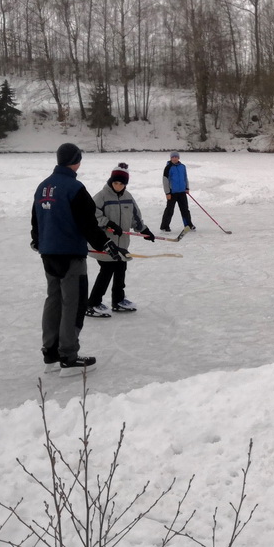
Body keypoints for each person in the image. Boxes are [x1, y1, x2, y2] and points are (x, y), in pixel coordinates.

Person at [31, 142, 126, 376]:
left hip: (48, 253)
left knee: (53, 300)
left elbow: (36, 219)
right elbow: (88, 224)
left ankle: (51, 353)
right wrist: (106, 245)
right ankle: (68, 356)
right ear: (76, 161)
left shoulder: (43, 187)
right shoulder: (75, 188)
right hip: (70, 256)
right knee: (73, 304)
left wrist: (37, 240)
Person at [87, 163, 155, 317]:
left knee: (120, 269)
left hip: (121, 244)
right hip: (104, 243)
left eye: (121, 184)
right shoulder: (101, 196)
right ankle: (92, 303)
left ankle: (118, 300)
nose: (118, 186)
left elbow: (135, 217)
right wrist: (108, 223)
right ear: (111, 181)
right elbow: (91, 215)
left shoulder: (128, 197)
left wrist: (144, 230)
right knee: (107, 271)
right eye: (115, 183)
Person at [160, 151, 195, 232]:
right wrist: (167, 193)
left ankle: (188, 225)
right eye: (173, 157)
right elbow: (165, 180)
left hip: (182, 192)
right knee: (169, 210)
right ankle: (164, 226)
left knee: (185, 209)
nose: (174, 158)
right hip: (172, 193)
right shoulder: (168, 167)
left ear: (178, 158)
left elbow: (185, 177)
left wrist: (187, 188)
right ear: (171, 158)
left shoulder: (182, 166)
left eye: (176, 157)